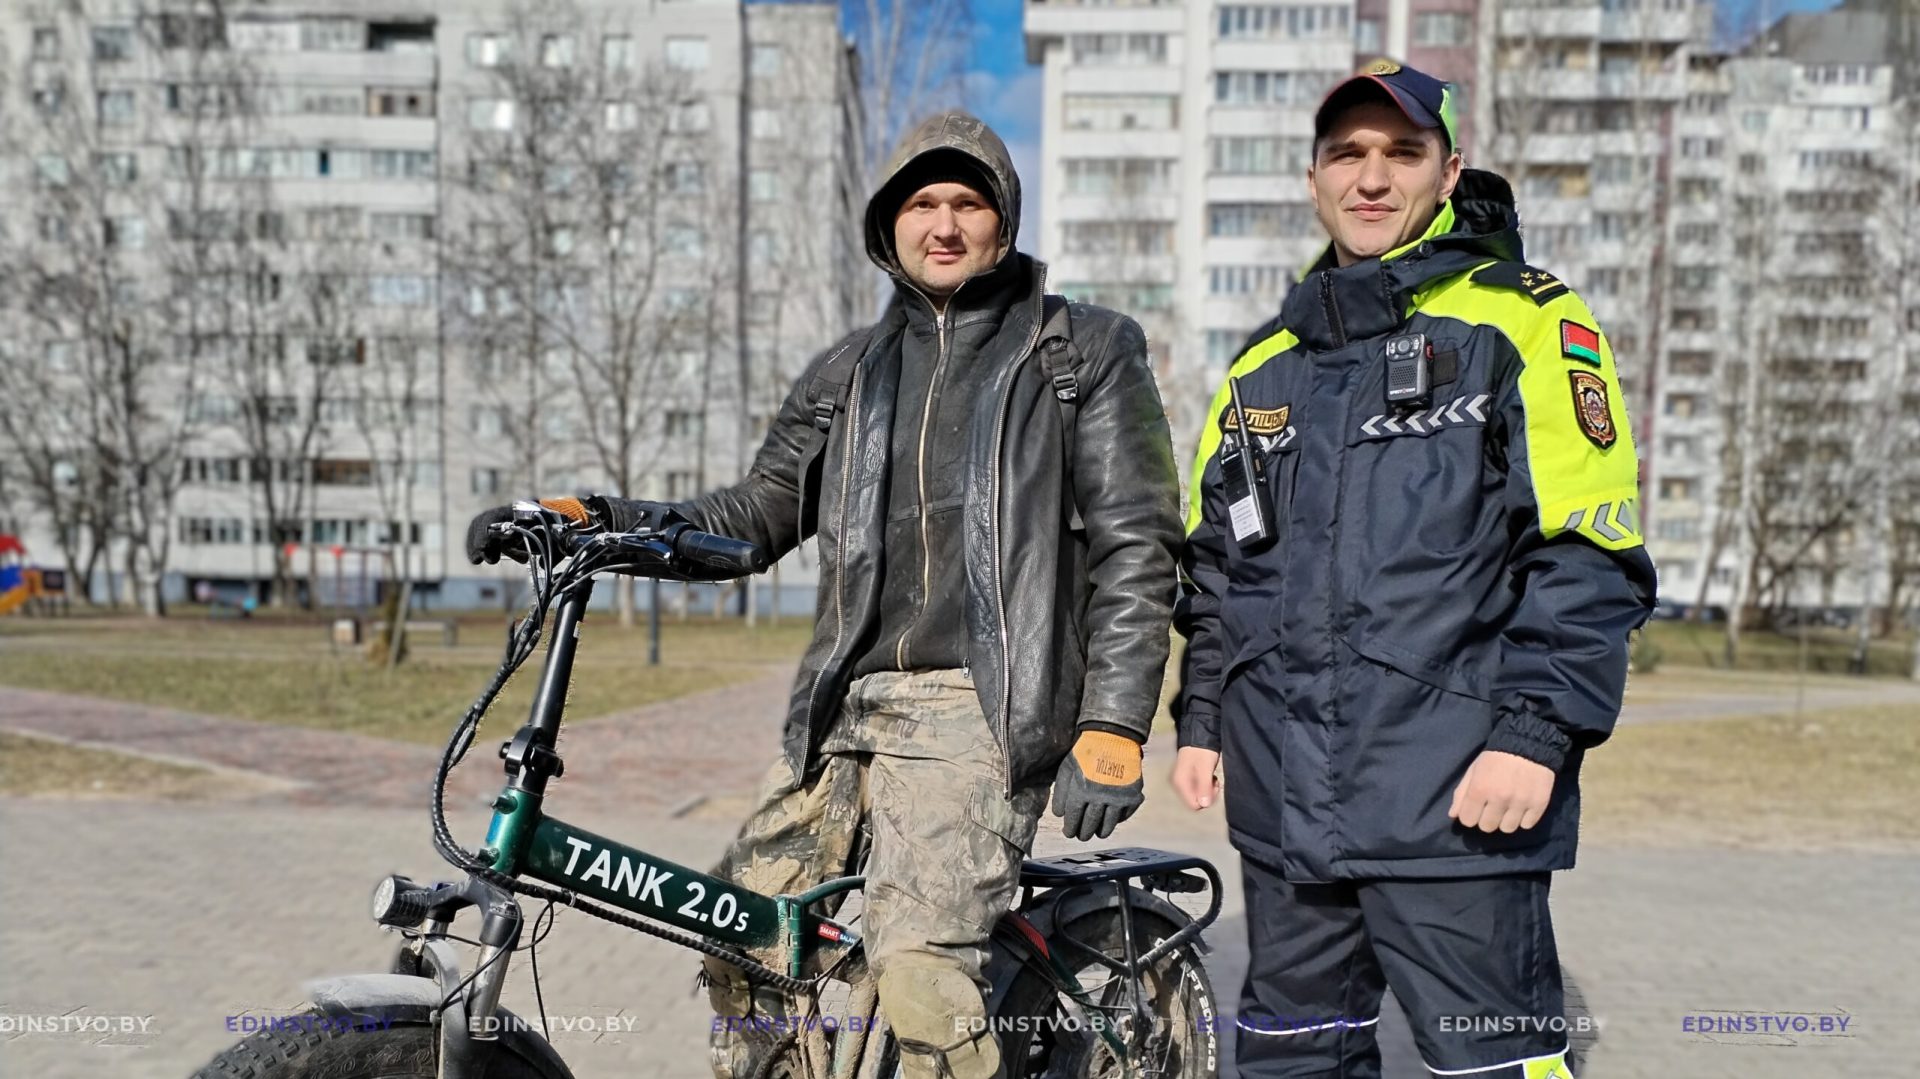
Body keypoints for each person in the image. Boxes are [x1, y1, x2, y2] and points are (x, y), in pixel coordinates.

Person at [466, 111, 1183, 1079]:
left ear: (1002, 222)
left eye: (966, 202)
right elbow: (753, 514)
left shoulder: (1080, 351)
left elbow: (1138, 543)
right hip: (843, 707)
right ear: (887, 225)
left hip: (980, 709)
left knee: (919, 970)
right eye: (921, 203)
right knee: (738, 933)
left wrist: (1115, 720)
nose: (943, 223)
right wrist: (597, 519)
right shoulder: (849, 375)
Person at [1169, 60, 1657, 1079]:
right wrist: (1204, 716)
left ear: (1449, 171)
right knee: (1290, 1064)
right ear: (1314, 180)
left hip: (1459, 807)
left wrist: (1536, 732)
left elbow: (1588, 548)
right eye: (1347, 154)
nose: (1372, 178)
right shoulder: (1261, 367)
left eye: (1402, 153)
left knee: (1492, 1067)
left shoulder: (1523, 320)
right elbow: (1216, 566)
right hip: (1287, 816)